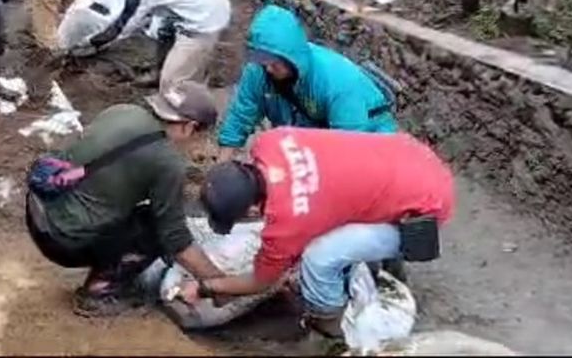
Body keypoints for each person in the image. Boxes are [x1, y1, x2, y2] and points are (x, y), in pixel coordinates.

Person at [179, 127, 455, 338]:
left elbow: (261, 281)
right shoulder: (272, 140)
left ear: (252, 210)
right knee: (329, 222)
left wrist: (207, 286)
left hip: (426, 205)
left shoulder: (288, 220)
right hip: (411, 154)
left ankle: (330, 324)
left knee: (319, 257)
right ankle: (366, 264)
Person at [26, 84, 228, 317]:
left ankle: (104, 266)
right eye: (200, 136)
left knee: (133, 204)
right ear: (189, 127)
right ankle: (97, 293)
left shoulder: (122, 111)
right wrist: (217, 282)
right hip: (62, 241)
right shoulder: (168, 163)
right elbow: (176, 239)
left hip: (38, 210)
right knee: (156, 227)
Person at [217, 4, 399, 161]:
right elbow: (241, 115)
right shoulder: (259, 70)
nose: (269, 69)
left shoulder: (336, 83)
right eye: (264, 62)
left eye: (274, 63)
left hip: (368, 137)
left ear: (290, 57)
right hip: (308, 130)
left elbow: (348, 147)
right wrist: (220, 166)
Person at [83, 0, 230, 94]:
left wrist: (91, 43)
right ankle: (161, 72)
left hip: (205, 16)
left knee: (172, 85)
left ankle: (185, 101)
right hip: (186, 3)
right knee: (163, 32)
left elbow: (126, 24)